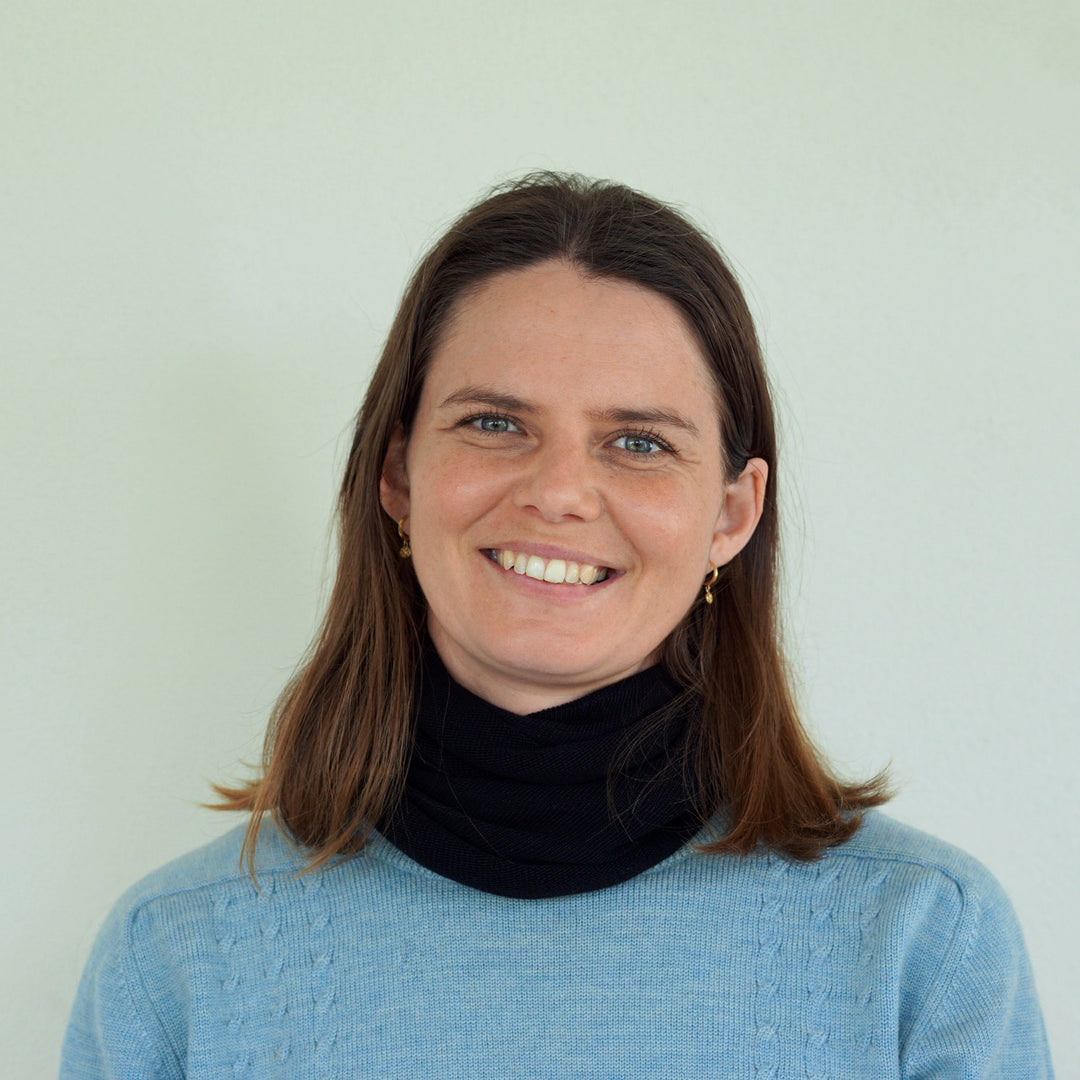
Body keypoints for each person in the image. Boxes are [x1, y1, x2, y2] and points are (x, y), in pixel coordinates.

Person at [60, 173, 1053, 1078]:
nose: (561, 493)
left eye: (637, 442)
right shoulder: (177, 958)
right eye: (495, 424)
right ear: (400, 476)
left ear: (731, 515)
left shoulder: (921, 945)